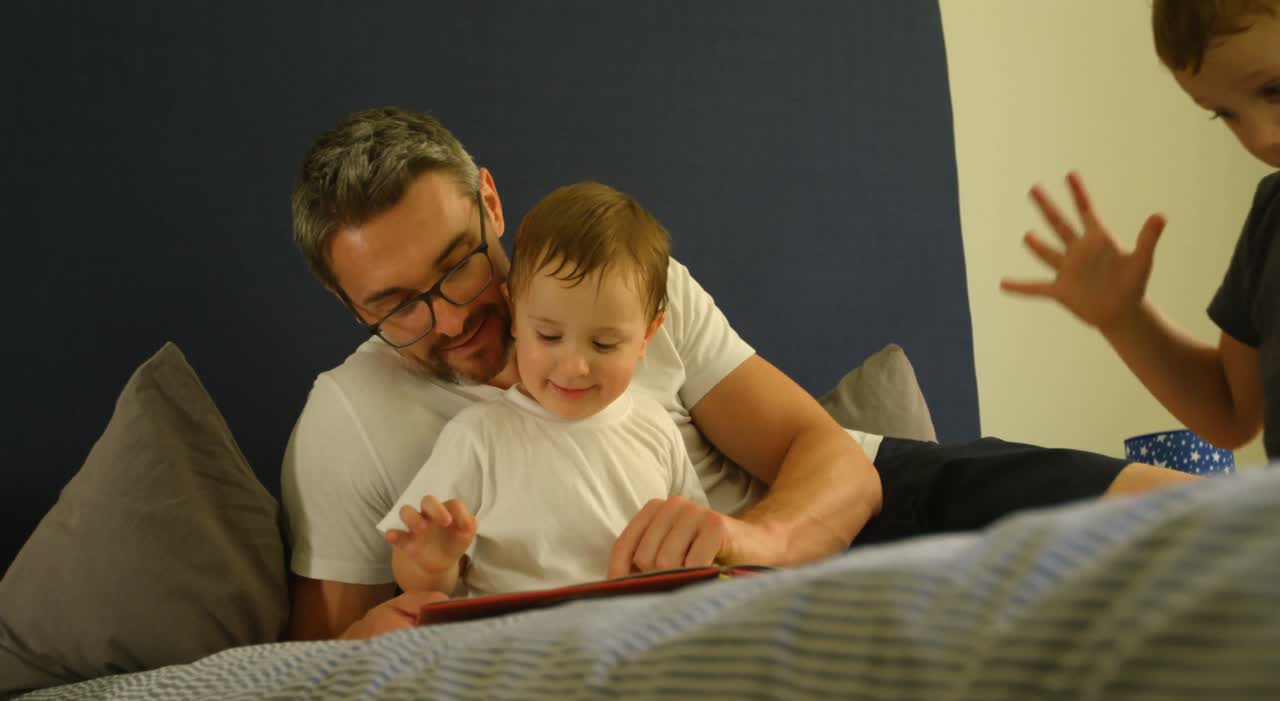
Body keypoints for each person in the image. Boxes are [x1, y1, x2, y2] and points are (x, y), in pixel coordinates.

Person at [283, 107, 1191, 641]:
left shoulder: (621, 283)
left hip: (822, 521)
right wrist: (399, 610)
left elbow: (833, 461)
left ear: (490, 202)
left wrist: (748, 541)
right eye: (395, 305)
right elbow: (324, 656)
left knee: (1178, 511)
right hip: (682, 619)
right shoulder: (349, 420)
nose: (450, 317)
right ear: (345, 303)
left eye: (458, 265)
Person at [374, 181, 709, 597]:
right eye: (549, 336)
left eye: (605, 344)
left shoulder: (656, 428)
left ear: (647, 335)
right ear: (515, 314)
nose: (574, 367)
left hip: (639, 623)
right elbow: (419, 580)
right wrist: (433, 562)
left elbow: (698, 541)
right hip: (525, 630)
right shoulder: (478, 437)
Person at [1002, 0, 1278, 461]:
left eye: (1274, 89)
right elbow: (1231, 413)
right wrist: (1124, 319)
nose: (1259, 137)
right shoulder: (1272, 216)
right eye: (1224, 113)